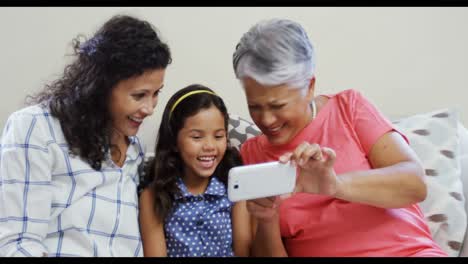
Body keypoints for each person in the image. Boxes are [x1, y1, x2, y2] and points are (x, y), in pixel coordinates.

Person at [231, 18, 447, 257]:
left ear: (309, 87)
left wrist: (335, 185)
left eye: (277, 105)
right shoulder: (251, 156)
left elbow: (414, 185)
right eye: (255, 107)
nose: (267, 120)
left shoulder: (349, 108)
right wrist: (267, 219)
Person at [0, 15, 171, 257]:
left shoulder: (135, 150)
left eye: (156, 94)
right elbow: (17, 243)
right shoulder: (35, 128)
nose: (150, 108)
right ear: (102, 86)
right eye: (139, 95)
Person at [138, 84, 251, 257]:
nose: (210, 146)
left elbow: (243, 251)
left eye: (219, 136)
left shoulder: (234, 188)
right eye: (197, 137)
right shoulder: (154, 197)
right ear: (174, 141)